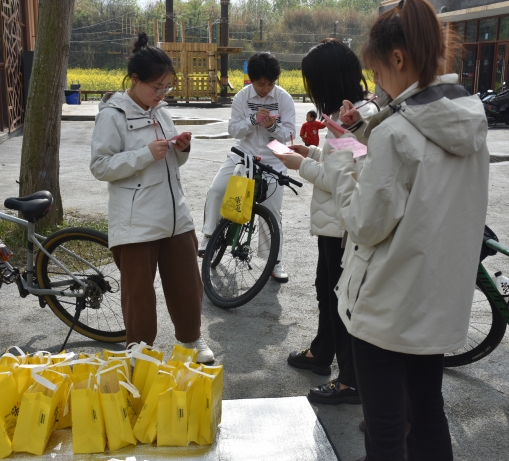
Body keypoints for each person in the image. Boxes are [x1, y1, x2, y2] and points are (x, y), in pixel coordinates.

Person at [274, 0, 490, 458]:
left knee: (386, 427)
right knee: (428, 414)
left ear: (398, 59)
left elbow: (365, 225)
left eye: (378, 74)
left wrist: (339, 163)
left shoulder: (396, 133)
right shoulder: (469, 119)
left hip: (388, 307)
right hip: (435, 300)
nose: (377, 86)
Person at [90, 32, 214, 364]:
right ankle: (140, 354)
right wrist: (145, 154)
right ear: (135, 80)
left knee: (188, 284)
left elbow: (171, 162)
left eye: (166, 88)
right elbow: (100, 166)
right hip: (136, 221)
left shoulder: (161, 112)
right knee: (139, 296)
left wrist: (181, 150)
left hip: (175, 215)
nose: (161, 94)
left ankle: (191, 341)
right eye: (155, 87)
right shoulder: (112, 115)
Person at [282, 39, 376, 405]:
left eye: (313, 81)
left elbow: (344, 178)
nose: (311, 89)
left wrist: (301, 165)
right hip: (333, 222)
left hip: (343, 225)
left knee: (340, 300)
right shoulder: (346, 112)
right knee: (326, 291)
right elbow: (346, 161)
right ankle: (322, 354)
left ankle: (349, 380)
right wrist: (314, 152)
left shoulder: (354, 116)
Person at [199, 52, 295, 282]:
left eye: (270, 83)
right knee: (217, 190)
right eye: (261, 83)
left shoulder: (283, 98)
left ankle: (275, 262)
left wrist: (272, 127)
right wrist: (253, 121)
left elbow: (290, 135)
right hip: (244, 154)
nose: (265, 88)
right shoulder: (242, 97)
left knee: (272, 213)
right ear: (251, 79)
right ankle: (209, 235)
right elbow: (233, 130)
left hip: (274, 158)